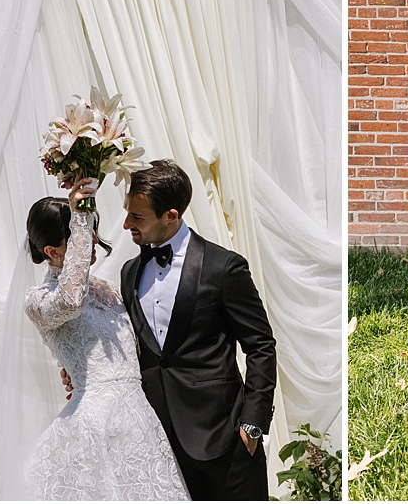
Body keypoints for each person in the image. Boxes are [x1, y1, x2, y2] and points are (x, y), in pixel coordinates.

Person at [61, 160, 277, 500]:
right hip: (154, 444)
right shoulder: (130, 272)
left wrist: (253, 422)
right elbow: (131, 346)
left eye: (137, 217)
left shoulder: (224, 267)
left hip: (224, 437)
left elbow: (261, 345)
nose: (126, 224)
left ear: (171, 215)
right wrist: (81, 367)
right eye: (127, 212)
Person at [22, 184, 190, 500]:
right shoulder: (39, 300)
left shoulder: (110, 289)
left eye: (91, 231)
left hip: (140, 421)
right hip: (94, 429)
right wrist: (80, 217)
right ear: (52, 252)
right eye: (77, 237)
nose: (92, 241)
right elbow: (71, 301)